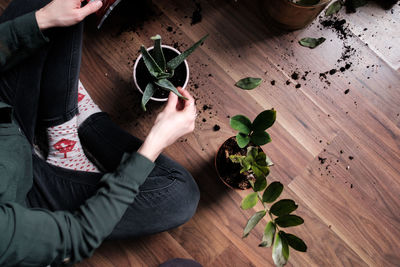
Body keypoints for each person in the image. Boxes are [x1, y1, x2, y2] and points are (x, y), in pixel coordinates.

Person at [0, 0, 200, 266]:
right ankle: (74, 131)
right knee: (180, 197)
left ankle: (63, 125)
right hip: (23, 199)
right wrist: (156, 141)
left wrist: (43, 19)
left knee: (45, 5)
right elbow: (78, 236)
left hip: (7, 126)